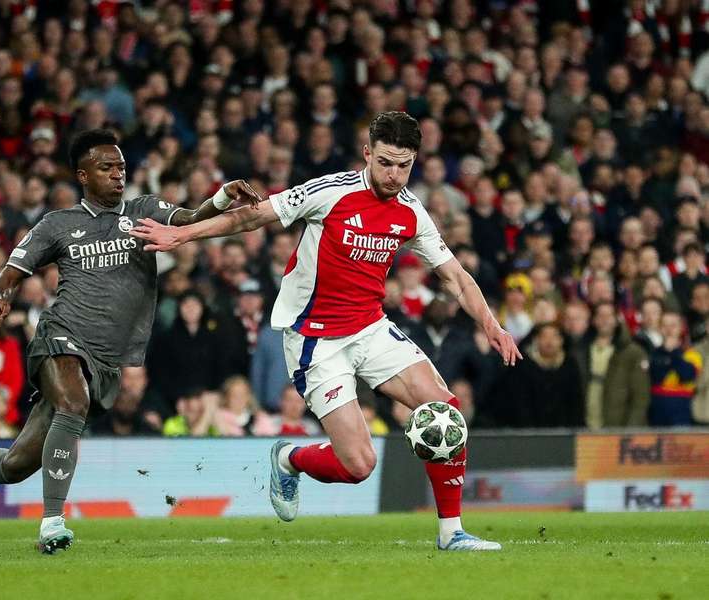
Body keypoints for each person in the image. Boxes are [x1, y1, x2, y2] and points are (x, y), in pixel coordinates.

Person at [133, 112, 519, 551]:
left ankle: (452, 533)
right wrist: (182, 237)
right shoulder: (331, 191)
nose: (395, 175)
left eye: (405, 165)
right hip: (316, 340)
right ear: (368, 153)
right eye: (387, 162)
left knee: (447, 413)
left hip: (370, 328)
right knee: (359, 465)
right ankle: (289, 458)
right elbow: (252, 217)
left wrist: (493, 325)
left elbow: (454, 276)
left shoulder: (411, 211)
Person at [0, 129, 261, 554]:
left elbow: (191, 219)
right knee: (73, 404)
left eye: (121, 168)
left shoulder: (144, 210)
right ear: (83, 175)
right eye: (106, 168)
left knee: (16, 464)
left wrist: (223, 195)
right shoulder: (58, 224)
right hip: (60, 336)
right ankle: (52, 523)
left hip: (105, 358)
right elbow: (10, 271)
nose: (118, 175)